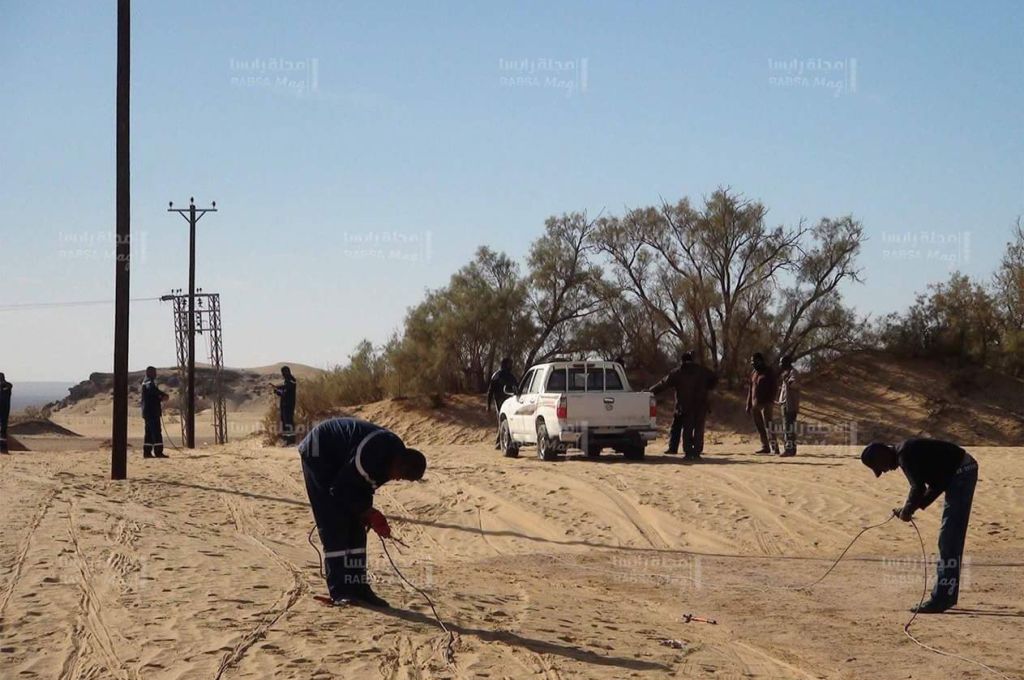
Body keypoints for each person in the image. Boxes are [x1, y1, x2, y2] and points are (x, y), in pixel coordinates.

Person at [299, 417, 427, 607]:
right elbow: (340, 488)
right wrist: (369, 512)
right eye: (400, 475)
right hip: (319, 452)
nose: (397, 480)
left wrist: (366, 515)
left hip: (344, 464)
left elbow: (363, 488)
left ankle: (359, 588)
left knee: (357, 527)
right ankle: (340, 591)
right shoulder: (371, 452)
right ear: (399, 463)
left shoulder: (393, 458)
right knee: (334, 523)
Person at [861, 439, 979, 613]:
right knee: (949, 539)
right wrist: (909, 509)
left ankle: (941, 599)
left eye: (881, 467)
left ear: (883, 454)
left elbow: (918, 488)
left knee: (949, 539)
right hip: (958, 473)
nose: (885, 471)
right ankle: (945, 596)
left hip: (962, 472)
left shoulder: (905, 454)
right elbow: (935, 484)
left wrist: (908, 510)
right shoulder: (905, 453)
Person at [649, 352, 718, 459]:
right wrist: (707, 388)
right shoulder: (703, 371)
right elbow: (715, 378)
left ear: (682, 360)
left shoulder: (678, 372)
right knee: (699, 429)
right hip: (701, 404)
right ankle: (697, 452)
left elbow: (663, 384)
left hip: (686, 405)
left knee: (687, 429)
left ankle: (688, 452)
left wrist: (650, 391)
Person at [746, 352, 779, 455]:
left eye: (754, 361)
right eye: (751, 361)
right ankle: (765, 447)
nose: (752, 363)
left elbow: (774, 387)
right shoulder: (753, 373)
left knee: (769, 425)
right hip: (755, 403)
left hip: (767, 403)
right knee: (759, 426)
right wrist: (748, 404)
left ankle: (775, 447)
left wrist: (771, 399)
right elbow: (750, 390)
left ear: (760, 360)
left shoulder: (769, 371)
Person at [486, 357, 518, 449]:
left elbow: (516, 387)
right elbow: (490, 391)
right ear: (505, 364)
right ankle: (500, 443)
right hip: (499, 401)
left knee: (506, 421)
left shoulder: (510, 376)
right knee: (503, 421)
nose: (511, 366)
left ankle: (501, 442)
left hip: (510, 402)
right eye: (509, 364)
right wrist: (488, 405)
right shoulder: (497, 375)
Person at [141, 366, 169, 459]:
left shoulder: (148, 382)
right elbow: (152, 391)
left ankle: (147, 452)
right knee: (156, 432)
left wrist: (159, 397)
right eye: (154, 372)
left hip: (149, 411)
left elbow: (152, 395)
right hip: (151, 412)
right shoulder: (148, 382)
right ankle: (158, 452)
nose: (155, 374)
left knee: (149, 433)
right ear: (149, 372)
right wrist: (162, 395)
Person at [777, 355, 799, 457]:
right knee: (787, 427)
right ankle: (790, 449)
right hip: (785, 404)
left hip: (791, 405)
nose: (780, 365)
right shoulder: (786, 373)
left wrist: (787, 380)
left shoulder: (793, 372)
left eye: (782, 363)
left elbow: (794, 384)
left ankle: (789, 450)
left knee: (789, 428)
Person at [274, 366, 298, 446]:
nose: (283, 374)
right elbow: (284, 391)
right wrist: (278, 390)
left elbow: (287, 389)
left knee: (288, 422)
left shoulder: (291, 380)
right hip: (284, 404)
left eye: (283, 372)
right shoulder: (286, 381)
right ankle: (286, 440)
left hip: (289, 405)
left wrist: (278, 389)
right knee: (284, 421)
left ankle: (291, 440)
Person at [0, 373, 12, 454]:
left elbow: (9, 385)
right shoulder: (6, 389)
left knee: (2, 430)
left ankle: (3, 449)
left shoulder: (6, 389)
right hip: (4, 412)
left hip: (4, 412)